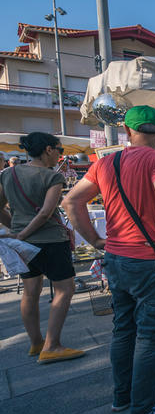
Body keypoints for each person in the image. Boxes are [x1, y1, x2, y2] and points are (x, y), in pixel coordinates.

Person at [63, 105, 155, 414]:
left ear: (128, 132)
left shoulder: (106, 162)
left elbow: (71, 201)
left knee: (123, 329)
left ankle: (124, 396)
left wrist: (95, 240)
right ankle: (144, 410)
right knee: (151, 334)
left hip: (116, 258)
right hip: (146, 259)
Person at [0, 133, 84, 363]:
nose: (60, 155)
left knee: (30, 291)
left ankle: (36, 342)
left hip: (21, 242)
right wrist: (26, 232)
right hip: (50, 240)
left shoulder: (8, 174)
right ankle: (52, 345)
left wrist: (18, 230)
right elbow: (47, 212)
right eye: (60, 150)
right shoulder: (52, 177)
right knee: (64, 289)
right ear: (48, 149)